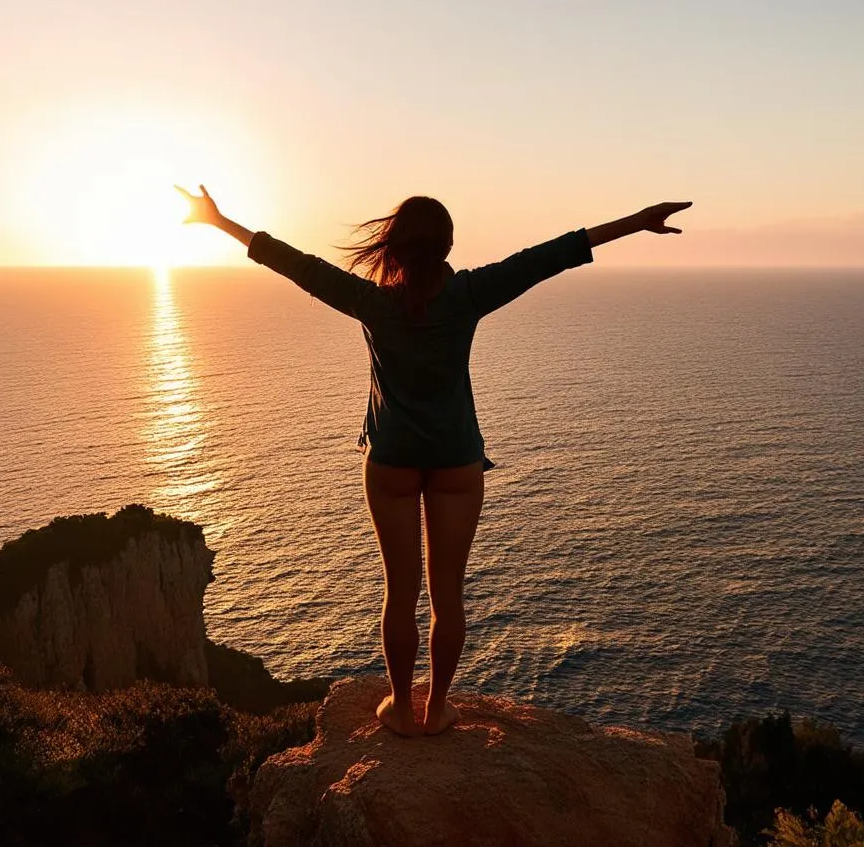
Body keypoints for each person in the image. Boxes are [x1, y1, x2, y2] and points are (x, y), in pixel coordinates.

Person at [175, 184, 691, 736]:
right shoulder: (469, 294)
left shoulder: (371, 302)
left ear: (392, 249)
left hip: (392, 459)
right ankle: (437, 707)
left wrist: (219, 221)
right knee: (449, 593)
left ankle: (400, 707)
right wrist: (637, 221)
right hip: (456, 463)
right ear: (447, 247)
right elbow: (553, 254)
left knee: (400, 593)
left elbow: (295, 264)